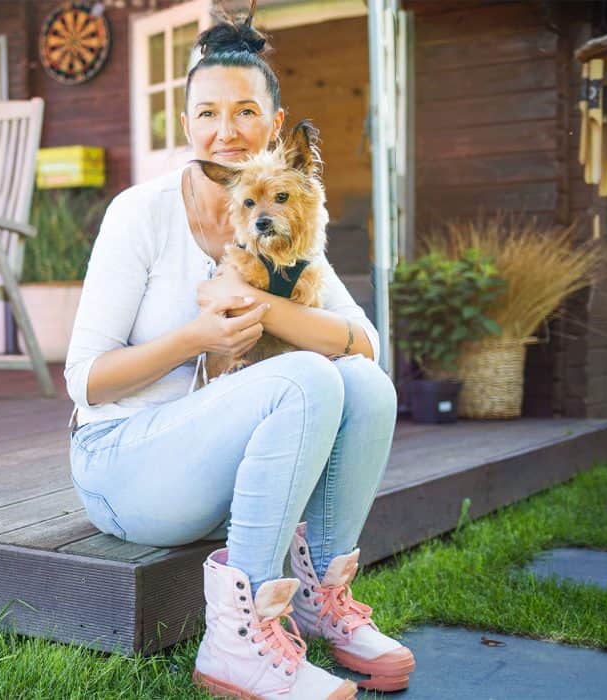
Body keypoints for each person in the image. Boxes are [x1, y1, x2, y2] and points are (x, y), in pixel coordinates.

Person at [62, 5, 411, 699]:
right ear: (186, 124)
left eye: (247, 111)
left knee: (366, 385)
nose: (227, 130)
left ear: (274, 125)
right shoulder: (140, 213)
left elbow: (365, 343)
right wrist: (197, 339)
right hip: (123, 467)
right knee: (306, 377)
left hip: (218, 467)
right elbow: (86, 382)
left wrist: (269, 308)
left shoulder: (281, 213)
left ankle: (320, 602)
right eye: (209, 113)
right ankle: (236, 643)